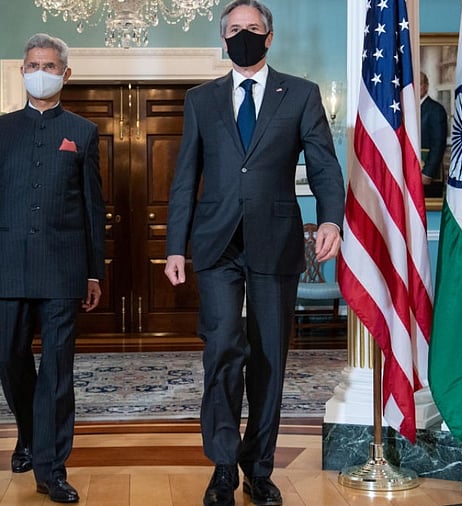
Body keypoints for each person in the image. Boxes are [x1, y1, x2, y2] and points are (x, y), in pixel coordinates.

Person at [164, 2, 345, 505]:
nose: (242, 35)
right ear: (223, 39)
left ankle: (258, 467)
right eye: (234, 29)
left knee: (268, 357)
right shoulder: (201, 99)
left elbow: (324, 165)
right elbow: (185, 177)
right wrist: (175, 247)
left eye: (252, 28)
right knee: (222, 347)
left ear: (269, 37)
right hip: (217, 243)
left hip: (275, 240)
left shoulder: (301, 94)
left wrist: (330, 219)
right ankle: (223, 466)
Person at [0, 33, 105, 504]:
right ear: (23, 72)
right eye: (33, 65)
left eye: (49, 65)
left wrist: (94, 272)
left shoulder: (83, 132)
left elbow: (92, 207)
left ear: (65, 73)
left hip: (64, 270)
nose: (40, 72)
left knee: (58, 369)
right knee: (11, 360)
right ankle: (29, 431)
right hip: (7, 266)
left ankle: (51, 467)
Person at [419, 71, 448, 195]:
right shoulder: (406, 108)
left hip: (428, 177)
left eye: (419, 84)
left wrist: (427, 173)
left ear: (426, 86)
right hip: (409, 173)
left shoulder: (436, 110)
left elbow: (438, 144)